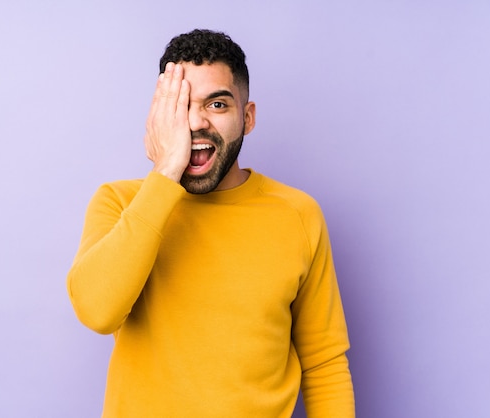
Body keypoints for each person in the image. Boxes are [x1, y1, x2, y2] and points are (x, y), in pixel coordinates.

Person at [67, 29, 354, 417]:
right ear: (159, 116)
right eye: (181, 105)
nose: (196, 122)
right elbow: (97, 312)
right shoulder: (121, 202)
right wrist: (165, 173)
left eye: (217, 104)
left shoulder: (298, 215)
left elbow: (324, 365)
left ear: (247, 118)